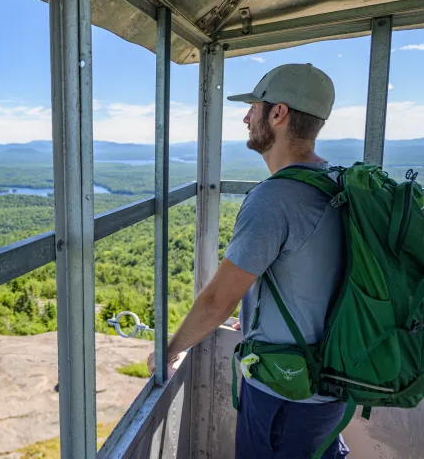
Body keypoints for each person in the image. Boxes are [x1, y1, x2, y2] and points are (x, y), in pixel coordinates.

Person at [147, 63, 349, 458]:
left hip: (285, 390)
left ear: (279, 113)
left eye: (254, 107)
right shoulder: (335, 182)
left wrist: (169, 350)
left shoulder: (275, 199)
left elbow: (215, 302)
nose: (245, 116)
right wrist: (263, 316)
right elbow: (317, 274)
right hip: (330, 383)